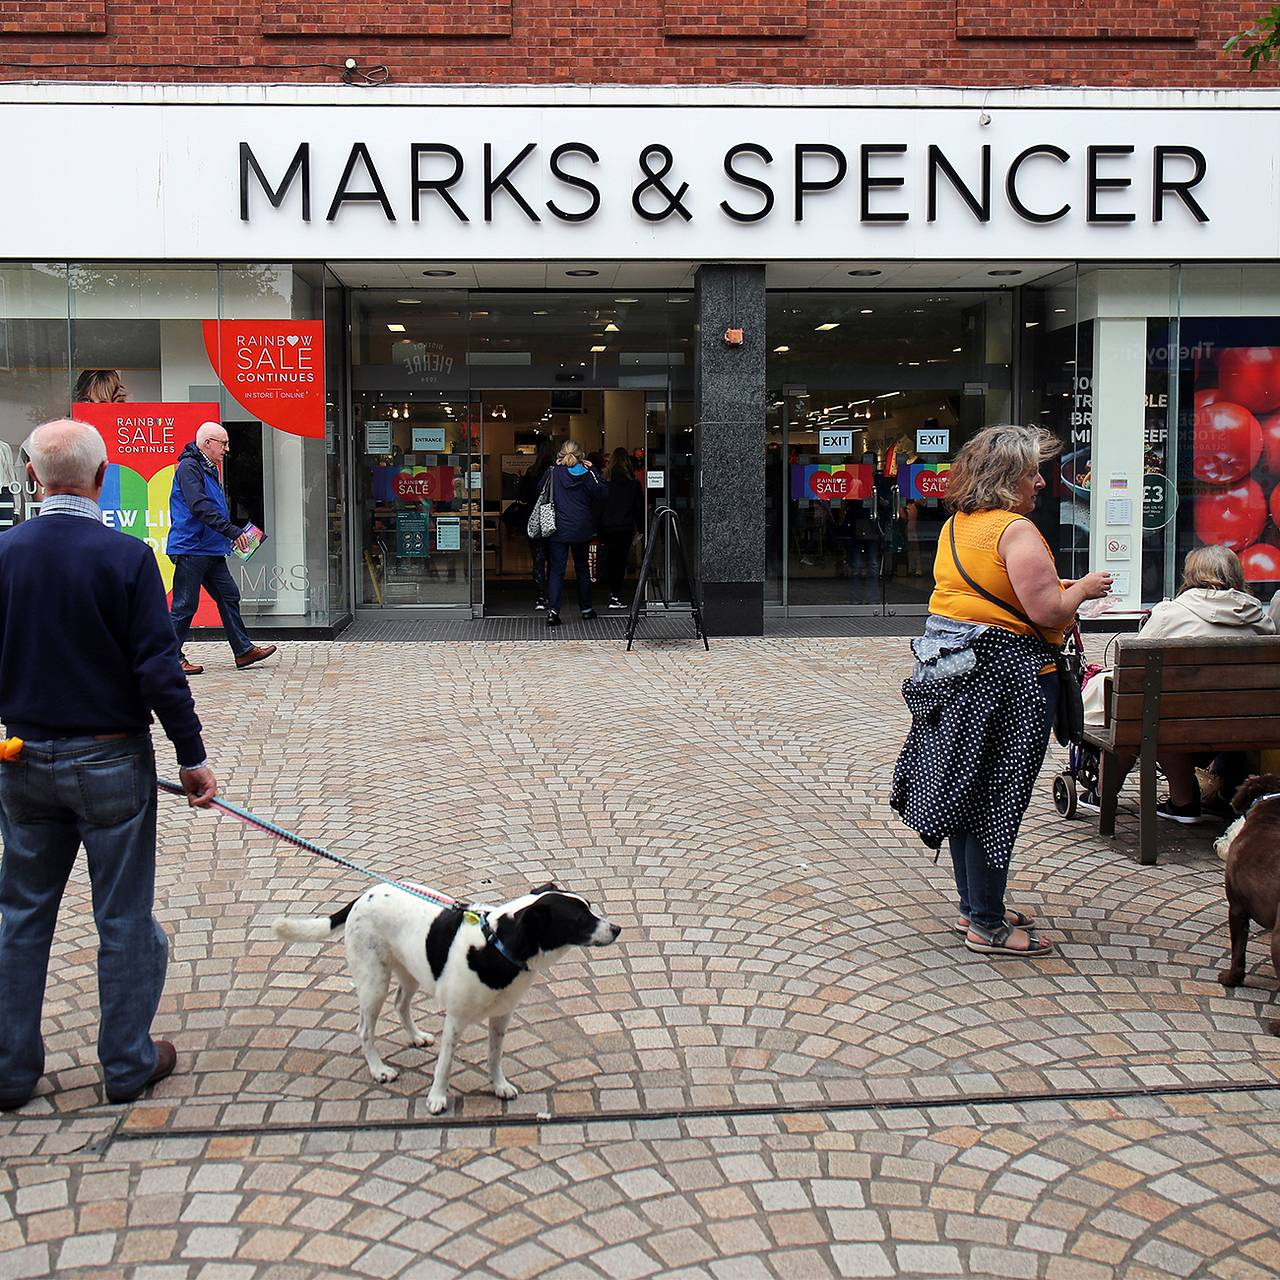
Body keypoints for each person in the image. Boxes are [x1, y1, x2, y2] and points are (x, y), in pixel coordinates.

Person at [0, 420, 218, 1111]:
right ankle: (126, 1062)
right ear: (102, 479)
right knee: (123, 918)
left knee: (20, 916)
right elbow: (159, 671)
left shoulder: (3, 554)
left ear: (33, 477)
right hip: (110, 760)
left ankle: (9, 1071)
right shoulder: (124, 558)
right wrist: (191, 757)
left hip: (23, 756)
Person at [891, 425, 1112, 958]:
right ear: (1008, 478)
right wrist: (1083, 589)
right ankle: (987, 925)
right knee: (999, 799)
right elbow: (1046, 612)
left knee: (970, 795)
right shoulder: (1015, 532)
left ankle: (975, 907)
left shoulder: (954, 528)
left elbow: (984, 595)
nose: (1041, 481)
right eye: (1032, 471)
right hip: (1011, 679)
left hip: (961, 676)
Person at [1089, 545, 1276, 822]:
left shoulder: (1169, 614)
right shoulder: (1260, 618)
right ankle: (1183, 802)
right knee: (1161, 710)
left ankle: (1104, 796)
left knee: (1136, 713)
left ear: (1190, 575)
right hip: (1240, 724)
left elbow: (1134, 674)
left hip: (1173, 720)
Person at [167, 422, 276, 674]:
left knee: (229, 596)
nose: (227, 449)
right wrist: (232, 531)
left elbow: (211, 508)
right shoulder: (189, 467)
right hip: (192, 548)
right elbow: (200, 507)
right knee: (185, 605)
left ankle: (243, 651)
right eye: (223, 443)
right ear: (207, 444)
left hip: (211, 549)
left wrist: (228, 534)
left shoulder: (208, 468)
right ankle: (169, 658)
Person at [545, 439, 605, 627]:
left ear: (561, 454)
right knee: (581, 567)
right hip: (581, 528)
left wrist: (553, 470)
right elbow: (602, 492)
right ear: (581, 456)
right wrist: (594, 470)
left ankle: (553, 612)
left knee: (556, 570)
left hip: (558, 528)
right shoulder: (587, 473)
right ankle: (586, 609)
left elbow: (540, 489)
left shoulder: (554, 472)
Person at [597, 447, 644, 609]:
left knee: (610, 559)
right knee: (620, 561)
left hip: (607, 527)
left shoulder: (604, 482)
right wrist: (642, 529)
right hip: (624, 527)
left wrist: (597, 527)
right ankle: (615, 594)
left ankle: (611, 591)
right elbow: (638, 508)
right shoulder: (633, 484)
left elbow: (599, 507)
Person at [517, 436, 559, 611]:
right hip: (553, 519)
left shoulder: (531, 472)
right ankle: (553, 595)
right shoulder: (558, 472)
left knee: (538, 558)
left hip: (534, 520)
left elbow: (523, 496)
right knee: (554, 559)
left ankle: (541, 596)